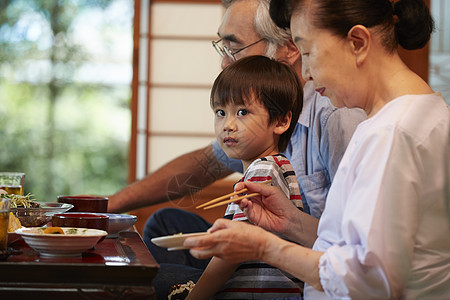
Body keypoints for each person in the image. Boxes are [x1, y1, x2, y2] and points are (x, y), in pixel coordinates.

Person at [184, 0, 450, 299]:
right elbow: (356, 249)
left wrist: (262, 246)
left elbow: (371, 279)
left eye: (308, 53)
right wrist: (291, 222)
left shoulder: (392, 132)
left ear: (358, 43)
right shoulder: (425, 111)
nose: (306, 73)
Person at [111, 0, 365, 297]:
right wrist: (110, 206)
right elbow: (206, 163)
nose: (223, 62)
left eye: (234, 47)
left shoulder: (336, 117)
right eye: (220, 113)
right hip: (265, 258)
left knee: (147, 278)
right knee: (165, 223)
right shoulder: (253, 128)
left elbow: (353, 244)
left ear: (289, 47)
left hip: (298, 273)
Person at [188, 55, 304, 299]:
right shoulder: (273, 165)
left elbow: (230, 255)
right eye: (220, 112)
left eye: (242, 112)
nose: (228, 125)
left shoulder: (264, 170)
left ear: (281, 120)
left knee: (153, 277)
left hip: (259, 294)